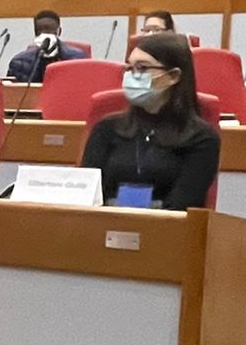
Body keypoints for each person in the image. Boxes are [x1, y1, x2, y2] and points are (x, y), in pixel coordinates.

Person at [79, 32, 221, 211]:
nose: (132, 75)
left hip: (167, 227)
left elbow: (183, 205)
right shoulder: (106, 129)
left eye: (142, 68)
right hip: (105, 225)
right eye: (129, 68)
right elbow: (87, 195)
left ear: (173, 76)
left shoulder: (202, 138)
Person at [6, 9, 89, 83]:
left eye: (50, 30)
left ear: (59, 32)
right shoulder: (19, 62)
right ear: (35, 33)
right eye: (40, 30)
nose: (46, 35)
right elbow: (12, 92)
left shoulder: (77, 59)